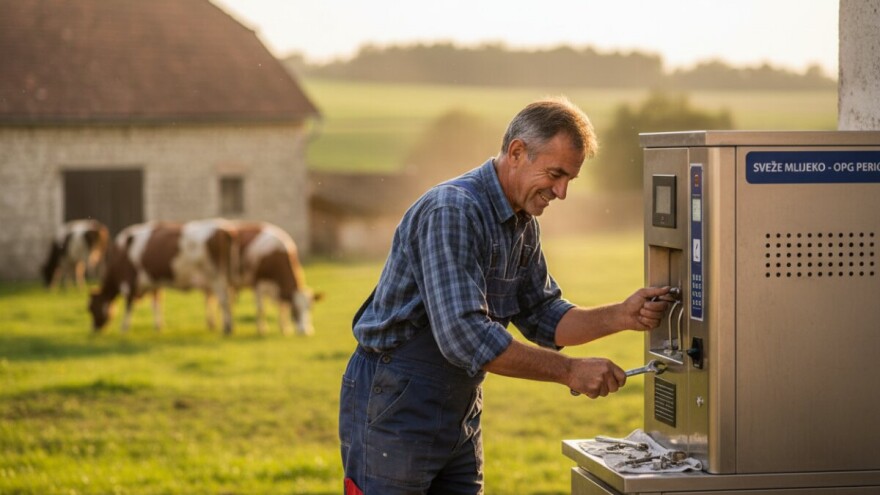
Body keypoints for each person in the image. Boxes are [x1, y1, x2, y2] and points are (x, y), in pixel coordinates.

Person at [338, 97, 671, 495]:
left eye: (570, 180)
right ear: (516, 152)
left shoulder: (522, 224)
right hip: (397, 401)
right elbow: (465, 336)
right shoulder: (453, 210)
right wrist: (570, 371)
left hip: (458, 404)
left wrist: (621, 315)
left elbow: (544, 314)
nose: (562, 192)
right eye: (555, 174)